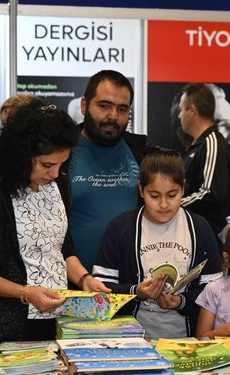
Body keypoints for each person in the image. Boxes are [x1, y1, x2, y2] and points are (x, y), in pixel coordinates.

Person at [0, 103, 109, 341]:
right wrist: (24, 293)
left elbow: (63, 249)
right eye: (47, 165)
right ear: (21, 155)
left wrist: (85, 279)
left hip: (55, 322)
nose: (55, 173)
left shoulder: (59, 184)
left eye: (61, 164)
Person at [92, 148, 223, 339]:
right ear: (141, 190)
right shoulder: (120, 228)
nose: (163, 204)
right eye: (154, 196)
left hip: (187, 340)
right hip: (130, 341)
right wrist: (136, 291)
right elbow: (100, 288)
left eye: (172, 195)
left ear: (183, 189)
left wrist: (180, 301)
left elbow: (215, 290)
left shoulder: (200, 228)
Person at [68, 70, 147, 272]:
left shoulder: (142, 155)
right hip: (72, 285)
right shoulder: (60, 156)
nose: (113, 116)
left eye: (122, 109)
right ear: (85, 106)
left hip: (129, 286)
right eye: (104, 106)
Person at [179, 83, 230, 235]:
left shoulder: (212, 143)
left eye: (181, 110)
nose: (179, 116)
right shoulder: (199, 145)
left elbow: (209, 193)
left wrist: (173, 204)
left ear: (192, 111)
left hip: (209, 235)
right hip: (193, 233)